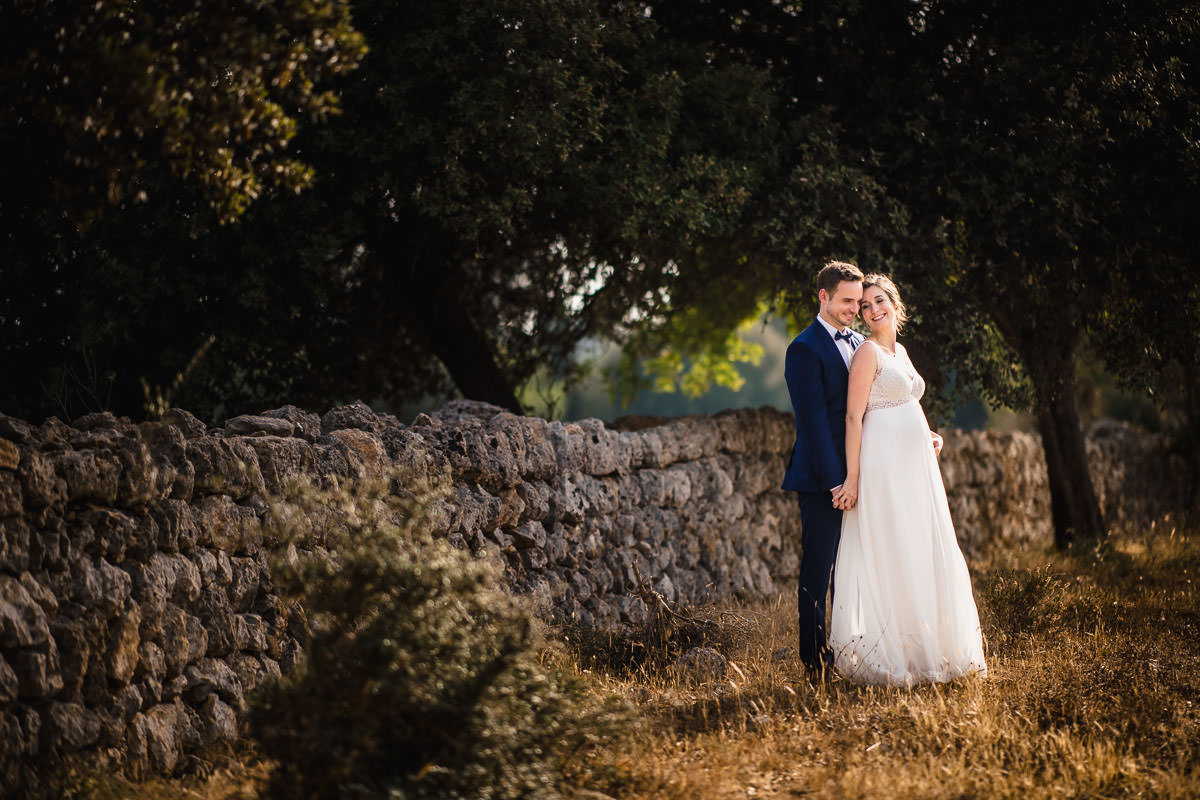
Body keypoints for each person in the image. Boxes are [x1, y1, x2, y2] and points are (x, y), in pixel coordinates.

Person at [828, 274, 987, 686]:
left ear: (894, 304)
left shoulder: (900, 350)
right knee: (893, 545)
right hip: (882, 465)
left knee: (918, 545)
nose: (872, 309)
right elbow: (854, 417)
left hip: (915, 465)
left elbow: (905, 401)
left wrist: (927, 433)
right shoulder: (867, 353)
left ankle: (923, 650)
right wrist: (852, 477)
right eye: (865, 306)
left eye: (879, 301)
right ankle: (891, 652)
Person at [782, 261, 865, 674]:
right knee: (819, 569)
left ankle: (855, 647)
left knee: (853, 567)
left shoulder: (859, 343)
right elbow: (813, 424)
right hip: (822, 481)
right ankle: (815, 660)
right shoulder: (804, 348)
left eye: (857, 300)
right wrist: (839, 483)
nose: (854, 308)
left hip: (858, 477)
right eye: (846, 301)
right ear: (824, 296)